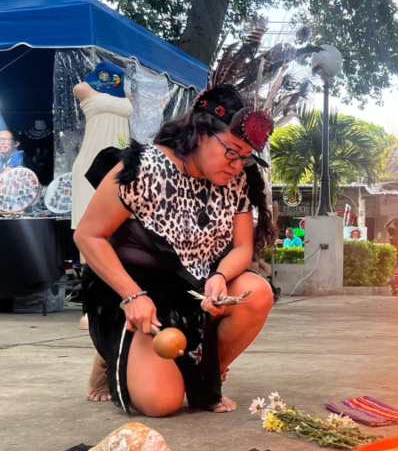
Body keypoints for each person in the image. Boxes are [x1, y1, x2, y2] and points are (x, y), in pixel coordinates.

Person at [74, 82, 276, 416]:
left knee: (256, 292)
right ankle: (114, 355)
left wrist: (220, 276)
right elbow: (88, 236)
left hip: (194, 292)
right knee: (161, 404)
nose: (238, 165)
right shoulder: (143, 169)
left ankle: (200, 375)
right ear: (200, 134)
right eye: (231, 152)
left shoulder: (236, 180)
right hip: (138, 291)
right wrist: (132, 297)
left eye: (245, 158)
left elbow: (242, 247)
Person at [72, 62, 133, 228]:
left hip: (119, 166)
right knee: (88, 230)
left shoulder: (126, 93)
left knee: (120, 229)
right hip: (90, 164)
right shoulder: (84, 88)